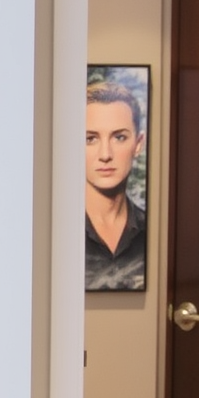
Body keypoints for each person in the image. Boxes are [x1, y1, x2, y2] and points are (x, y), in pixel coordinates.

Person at [85, 81, 146, 290]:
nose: (105, 155)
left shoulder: (152, 231)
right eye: (90, 138)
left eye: (119, 137)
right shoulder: (55, 233)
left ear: (138, 144)